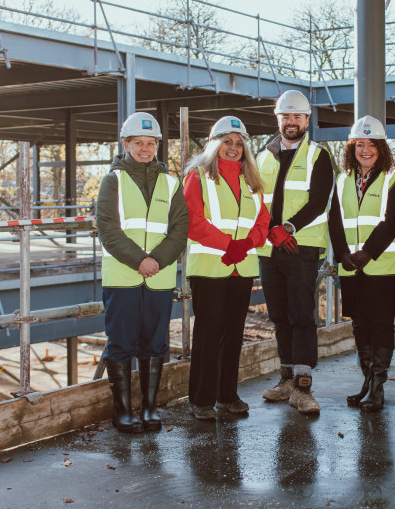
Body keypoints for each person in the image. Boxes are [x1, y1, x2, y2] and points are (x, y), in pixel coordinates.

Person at [96, 112, 188, 433]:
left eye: (151, 143)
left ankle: (149, 409)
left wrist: (157, 261)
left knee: (155, 343)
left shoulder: (172, 183)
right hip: (123, 277)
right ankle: (122, 412)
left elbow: (179, 229)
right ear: (126, 144)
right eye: (139, 143)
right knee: (121, 343)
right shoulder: (113, 181)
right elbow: (107, 228)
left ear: (158, 146)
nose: (145, 149)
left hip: (159, 279)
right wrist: (140, 260)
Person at [183, 116, 270, 421]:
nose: (233, 148)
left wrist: (243, 247)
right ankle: (201, 400)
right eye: (227, 142)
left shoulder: (253, 182)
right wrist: (227, 245)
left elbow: (262, 223)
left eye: (238, 143)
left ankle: (227, 395)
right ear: (214, 144)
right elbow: (194, 221)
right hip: (209, 266)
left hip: (241, 267)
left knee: (233, 333)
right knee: (208, 333)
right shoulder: (198, 175)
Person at [256, 89, 334, 415]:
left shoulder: (318, 155)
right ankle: (286, 377)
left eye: (297, 117)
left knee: (302, 314)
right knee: (278, 315)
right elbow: (255, 199)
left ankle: (303, 387)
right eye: (285, 116)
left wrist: (287, 227)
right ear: (278, 118)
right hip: (268, 248)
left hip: (300, 246)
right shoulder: (262, 155)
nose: (291, 122)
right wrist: (268, 231)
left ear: (307, 120)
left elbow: (318, 200)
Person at [327, 116, 395, 413]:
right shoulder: (343, 179)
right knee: (360, 325)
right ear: (352, 147)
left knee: (381, 326)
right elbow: (335, 220)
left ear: (381, 148)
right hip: (352, 267)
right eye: (360, 144)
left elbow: (392, 219)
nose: (366, 150)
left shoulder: (394, 177)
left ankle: (378, 387)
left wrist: (366, 253)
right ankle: (367, 381)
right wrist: (343, 254)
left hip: (382, 266)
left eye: (372, 144)